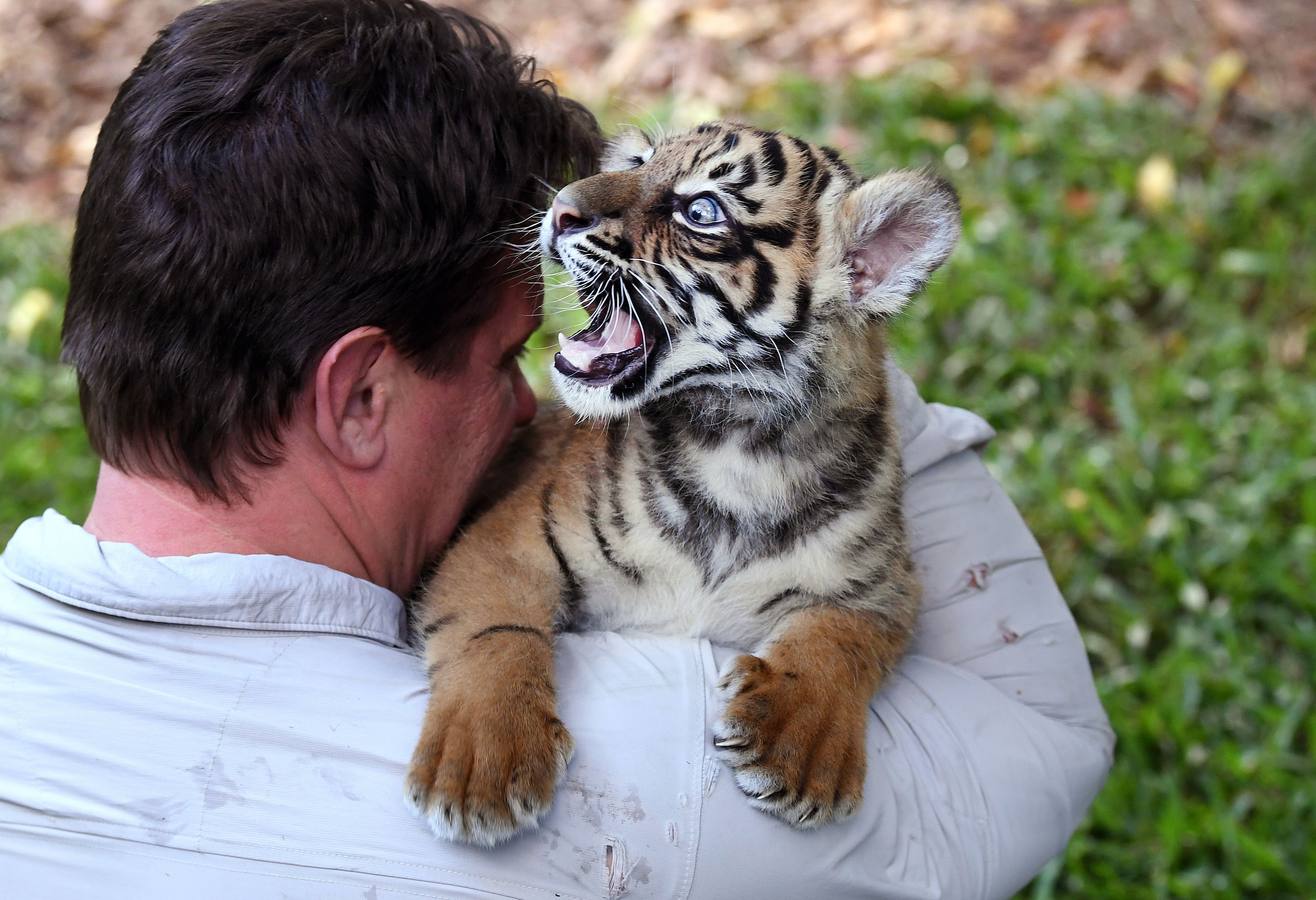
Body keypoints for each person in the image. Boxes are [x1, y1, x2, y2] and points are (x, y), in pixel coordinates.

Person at [0, 1, 1114, 897]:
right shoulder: (651, 783)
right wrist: (819, 321)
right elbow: (1044, 741)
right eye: (503, 361)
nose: (534, 412)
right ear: (359, 398)